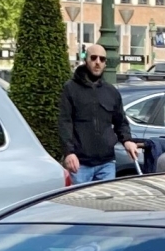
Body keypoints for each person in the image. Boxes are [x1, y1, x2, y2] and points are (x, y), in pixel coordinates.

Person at [56, 43, 139, 183]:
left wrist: (127, 140)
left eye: (102, 59)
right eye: (93, 58)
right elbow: (65, 122)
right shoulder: (71, 89)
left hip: (107, 163)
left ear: (105, 63)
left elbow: (121, 122)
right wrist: (69, 153)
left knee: (106, 204)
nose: (98, 62)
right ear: (86, 60)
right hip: (80, 164)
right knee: (80, 204)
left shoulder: (111, 92)